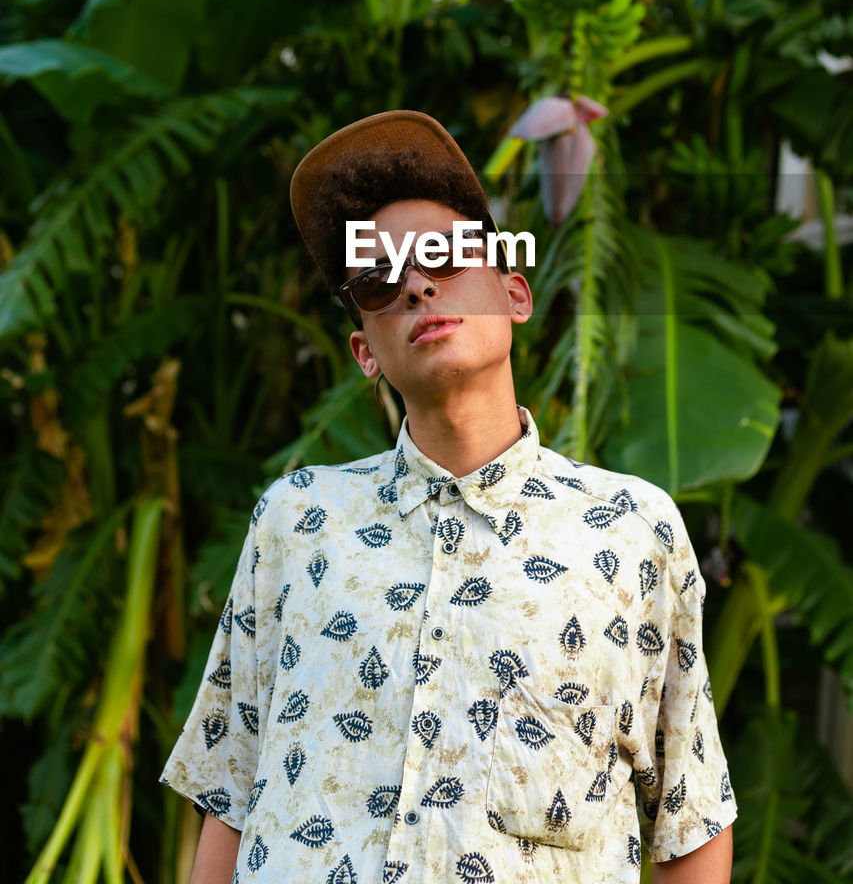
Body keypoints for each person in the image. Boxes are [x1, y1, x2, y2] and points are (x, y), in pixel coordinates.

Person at [161, 110, 736, 884]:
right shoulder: (297, 521)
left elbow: (689, 819)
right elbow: (229, 791)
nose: (417, 285)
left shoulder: (633, 532)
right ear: (365, 351)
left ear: (513, 295)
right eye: (379, 280)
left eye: (442, 254)